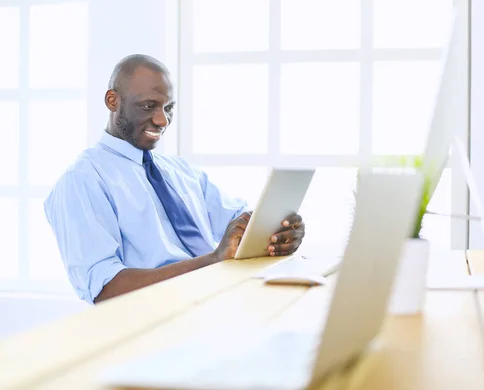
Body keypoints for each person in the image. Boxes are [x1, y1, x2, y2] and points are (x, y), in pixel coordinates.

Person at [44, 54, 306, 305]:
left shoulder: (181, 171)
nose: (162, 120)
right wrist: (212, 260)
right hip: (150, 327)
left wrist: (277, 233)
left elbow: (238, 223)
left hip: (217, 305)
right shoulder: (82, 180)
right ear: (113, 101)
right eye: (149, 106)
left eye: (168, 108)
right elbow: (106, 288)